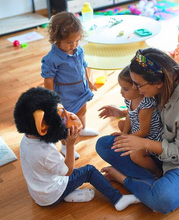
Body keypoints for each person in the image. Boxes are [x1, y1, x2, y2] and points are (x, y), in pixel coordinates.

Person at [96, 48, 179, 214]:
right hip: (158, 150)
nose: (136, 90)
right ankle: (151, 184)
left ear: (157, 82)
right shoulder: (162, 83)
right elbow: (148, 112)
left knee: (162, 199)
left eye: (138, 85)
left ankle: (125, 179)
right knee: (103, 145)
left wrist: (143, 143)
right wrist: (123, 112)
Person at [13, 87, 141, 210]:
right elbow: (67, 171)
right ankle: (118, 199)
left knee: (67, 177)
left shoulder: (26, 140)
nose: (70, 116)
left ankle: (69, 194)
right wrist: (70, 145)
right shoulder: (46, 153)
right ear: (42, 127)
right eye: (62, 116)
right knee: (89, 171)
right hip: (52, 193)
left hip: (39, 194)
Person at [41, 11, 98, 159]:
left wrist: (90, 80)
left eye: (77, 40)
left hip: (81, 89)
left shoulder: (78, 50)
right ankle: (66, 145)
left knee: (82, 111)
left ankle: (83, 128)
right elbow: (48, 79)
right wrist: (52, 100)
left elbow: (85, 65)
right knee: (67, 121)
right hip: (65, 95)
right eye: (69, 42)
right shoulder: (52, 58)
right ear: (56, 39)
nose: (74, 45)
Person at [100, 65, 163, 177]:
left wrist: (127, 138)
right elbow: (129, 114)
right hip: (138, 131)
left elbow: (144, 132)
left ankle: (156, 171)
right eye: (121, 88)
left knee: (135, 155)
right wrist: (124, 132)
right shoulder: (130, 99)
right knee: (121, 124)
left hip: (150, 139)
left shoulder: (145, 106)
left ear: (138, 88)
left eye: (125, 89)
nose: (121, 92)